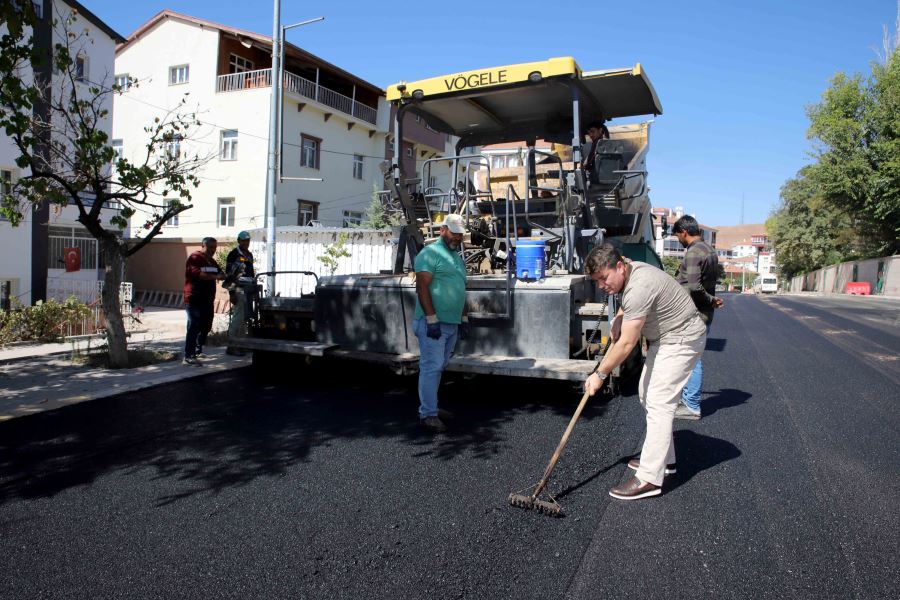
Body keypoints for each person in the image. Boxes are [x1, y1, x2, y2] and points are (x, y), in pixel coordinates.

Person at [583, 243, 706, 500]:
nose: (602, 286)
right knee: (646, 393)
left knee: (659, 401)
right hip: (666, 337)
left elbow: (627, 343)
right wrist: (618, 316)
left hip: (682, 337)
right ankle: (666, 461)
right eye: (596, 281)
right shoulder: (627, 270)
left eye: (603, 278)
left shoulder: (639, 285)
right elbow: (625, 298)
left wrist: (599, 374)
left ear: (619, 266)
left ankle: (650, 478)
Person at [413, 213, 469, 433]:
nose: (458, 237)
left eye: (460, 234)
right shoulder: (430, 253)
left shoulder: (456, 258)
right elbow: (422, 287)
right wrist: (431, 318)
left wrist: (463, 317)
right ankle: (427, 414)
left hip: (450, 323)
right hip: (433, 324)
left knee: (439, 367)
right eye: (454, 233)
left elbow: (460, 289)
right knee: (431, 367)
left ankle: (432, 407)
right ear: (442, 230)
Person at [672, 215, 724, 420]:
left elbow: (694, 286)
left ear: (684, 232)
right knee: (691, 356)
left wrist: (710, 299)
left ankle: (692, 405)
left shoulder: (694, 252)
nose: (678, 239)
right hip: (703, 312)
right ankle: (687, 400)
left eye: (677, 235)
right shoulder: (709, 250)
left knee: (692, 358)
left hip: (693, 313)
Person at [183, 237, 224, 366]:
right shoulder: (195, 258)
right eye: (211, 247)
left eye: (215, 247)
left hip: (207, 299)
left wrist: (224, 275)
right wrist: (215, 277)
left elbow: (220, 272)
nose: (213, 250)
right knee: (194, 325)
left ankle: (198, 349)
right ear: (203, 246)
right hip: (194, 298)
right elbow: (199, 274)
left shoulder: (211, 261)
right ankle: (188, 356)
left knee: (206, 325)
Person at [224, 231, 256, 356]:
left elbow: (251, 273)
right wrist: (231, 292)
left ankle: (241, 345)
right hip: (238, 289)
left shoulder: (249, 254)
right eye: (243, 240)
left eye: (247, 240)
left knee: (244, 319)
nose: (246, 242)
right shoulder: (234, 254)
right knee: (237, 318)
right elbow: (229, 275)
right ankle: (232, 346)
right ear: (238, 240)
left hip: (248, 289)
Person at [581, 120, 610, 184]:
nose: (590, 135)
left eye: (592, 131)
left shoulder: (597, 143)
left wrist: (582, 167)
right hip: (611, 177)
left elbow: (588, 162)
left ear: (600, 130)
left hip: (598, 178)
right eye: (589, 133)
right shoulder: (609, 143)